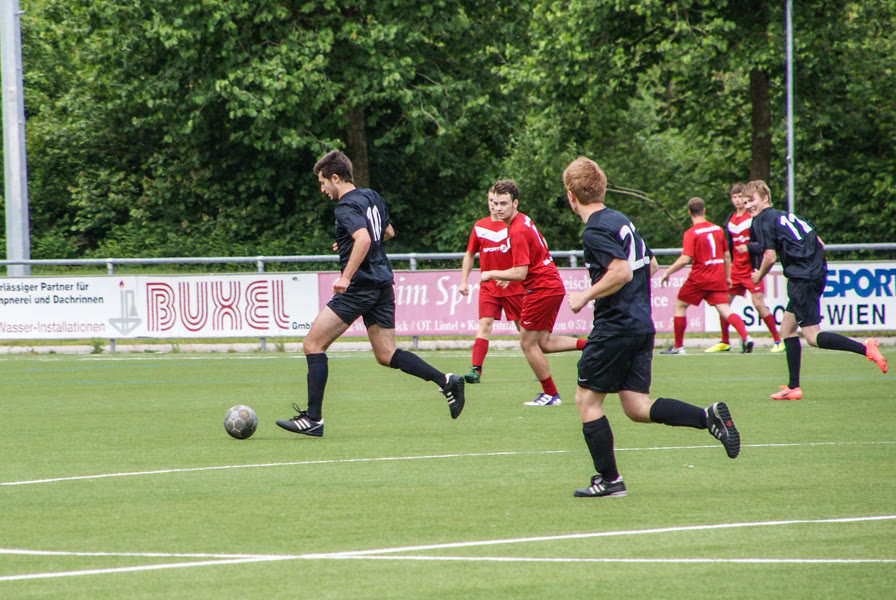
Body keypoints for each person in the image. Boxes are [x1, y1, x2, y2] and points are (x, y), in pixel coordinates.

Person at [563, 156, 739, 498]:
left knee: (586, 400)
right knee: (636, 406)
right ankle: (707, 417)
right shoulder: (620, 220)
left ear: (572, 195)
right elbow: (652, 264)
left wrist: (585, 295)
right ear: (602, 188)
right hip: (641, 324)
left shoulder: (594, 229)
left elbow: (620, 271)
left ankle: (610, 481)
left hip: (615, 327)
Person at [276, 150, 465, 436]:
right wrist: (348, 241)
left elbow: (364, 238)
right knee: (387, 354)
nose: (322, 189)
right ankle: (446, 381)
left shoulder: (344, 206)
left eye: (322, 182)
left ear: (335, 178)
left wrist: (346, 276)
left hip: (359, 287)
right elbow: (387, 232)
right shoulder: (372, 196)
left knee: (313, 344)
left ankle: (313, 419)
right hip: (382, 284)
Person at [743, 179, 887, 400]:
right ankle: (793, 387)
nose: (748, 206)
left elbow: (769, 257)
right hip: (816, 274)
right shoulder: (789, 217)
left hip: (802, 279)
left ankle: (866, 348)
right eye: (744, 202)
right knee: (787, 329)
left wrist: (758, 275)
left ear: (764, 198)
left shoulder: (761, 220)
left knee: (812, 336)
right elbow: (819, 243)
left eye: (751, 200)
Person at [480, 179, 586, 406]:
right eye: (495, 203)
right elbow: (536, 250)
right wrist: (508, 274)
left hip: (541, 288)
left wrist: (492, 273)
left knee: (527, 343)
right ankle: (592, 345)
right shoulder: (522, 220)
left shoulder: (516, 230)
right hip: (550, 285)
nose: (498, 208)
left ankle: (551, 394)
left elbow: (520, 273)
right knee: (543, 343)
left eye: (503, 203)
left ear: (515, 203)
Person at [658, 197, 754, 354]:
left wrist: (668, 272)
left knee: (679, 306)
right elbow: (726, 255)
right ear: (704, 210)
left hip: (699, 278)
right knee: (725, 311)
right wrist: (727, 277)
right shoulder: (718, 229)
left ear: (689, 213)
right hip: (717, 277)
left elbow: (685, 259)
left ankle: (678, 346)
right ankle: (746, 337)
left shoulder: (691, 233)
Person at [458, 189, 525, 384]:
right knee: (484, 324)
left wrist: (512, 276)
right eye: (491, 201)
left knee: (524, 330)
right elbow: (470, 254)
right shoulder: (480, 226)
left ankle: (540, 365)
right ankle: (476, 370)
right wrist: (464, 281)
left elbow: (532, 249)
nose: (495, 206)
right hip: (489, 287)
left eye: (498, 202)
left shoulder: (514, 225)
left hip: (514, 287)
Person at [711, 182, 783, 353]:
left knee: (758, 304)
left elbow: (763, 245)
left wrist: (749, 247)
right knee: (723, 304)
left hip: (752, 270)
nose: (737, 200)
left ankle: (778, 340)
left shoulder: (754, 218)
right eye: (734, 197)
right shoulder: (731, 219)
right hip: (735, 270)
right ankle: (725, 341)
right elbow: (728, 246)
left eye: (740, 197)